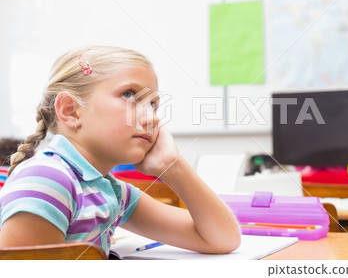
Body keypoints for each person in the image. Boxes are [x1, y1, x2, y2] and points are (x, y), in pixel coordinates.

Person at [0, 46, 241, 256]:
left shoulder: (110, 191)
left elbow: (222, 239)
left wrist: (173, 166)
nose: (152, 118)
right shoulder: (48, 180)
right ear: (71, 111)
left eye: (154, 105)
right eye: (129, 95)